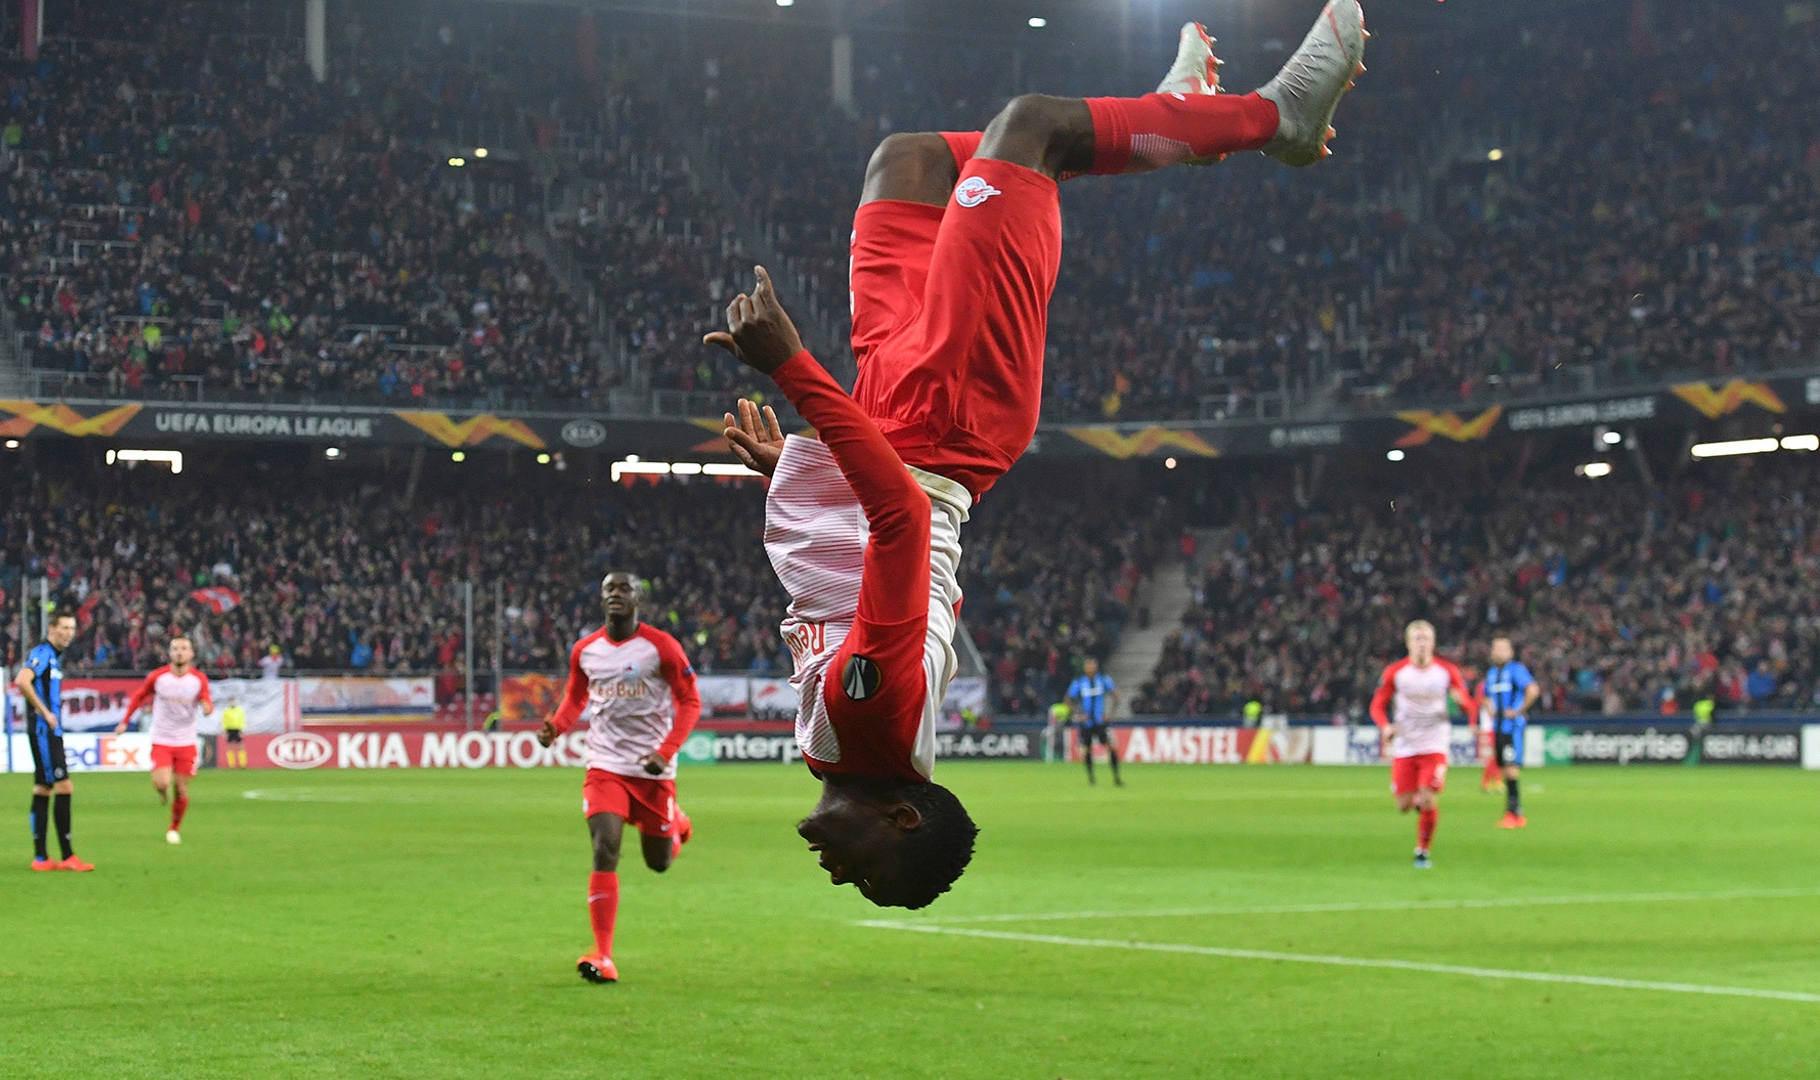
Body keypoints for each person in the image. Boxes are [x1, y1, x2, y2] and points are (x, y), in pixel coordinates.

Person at [709, 4, 1366, 908]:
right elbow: (901, 518)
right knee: (1033, 127)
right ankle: (1269, 121)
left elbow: (840, 571)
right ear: (901, 819)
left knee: (908, 160)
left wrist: (796, 467)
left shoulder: (831, 747)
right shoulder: (874, 717)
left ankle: (1170, 127)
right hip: (949, 411)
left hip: (890, 405)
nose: (836, 872)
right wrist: (792, 367)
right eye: (864, 871)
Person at [539, 572, 701, 985]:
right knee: (604, 847)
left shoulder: (660, 646)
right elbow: (576, 696)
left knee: (659, 862)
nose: (615, 594)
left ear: (637, 600)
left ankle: (676, 823)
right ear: (601, 598)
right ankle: (603, 955)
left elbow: (689, 700)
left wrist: (664, 752)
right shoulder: (586, 650)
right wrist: (556, 726)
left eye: (623, 589)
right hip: (605, 765)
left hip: (652, 770)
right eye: (609, 588)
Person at [1368, 621, 1476, 869]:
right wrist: (1385, 726)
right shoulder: (1396, 672)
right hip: (1406, 745)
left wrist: (1463, 704)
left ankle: (1422, 851)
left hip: (1435, 744)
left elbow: (1469, 705)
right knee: (1403, 806)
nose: (1422, 642)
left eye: (1426, 638)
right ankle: (1419, 804)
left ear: (1433, 643)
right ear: (1408, 643)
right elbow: (1377, 705)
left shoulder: (1447, 671)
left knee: (1428, 798)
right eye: (1417, 638)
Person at [115, 636, 214, 844]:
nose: (179, 652)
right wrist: (125, 721)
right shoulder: (158, 677)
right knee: (161, 782)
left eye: (184, 648)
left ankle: (174, 828)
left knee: (180, 787)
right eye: (175, 648)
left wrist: (207, 708)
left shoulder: (198, 679)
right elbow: (139, 696)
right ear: (170, 653)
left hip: (186, 741)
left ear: (191, 654)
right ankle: (162, 793)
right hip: (162, 738)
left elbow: (206, 701)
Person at [15, 612, 93, 872]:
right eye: (64, 627)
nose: (69, 633)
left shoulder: (55, 658)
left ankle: (41, 858)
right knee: (64, 786)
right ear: (52, 628)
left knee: (43, 788)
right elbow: (22, 680)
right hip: (44, 730)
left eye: (72, 628)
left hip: (48, 731)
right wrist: (44, 711)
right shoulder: (43, 652)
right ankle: (68, 856)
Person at [1479, 637, 1539, 829]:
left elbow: (1533, 689)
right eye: (1496, 648)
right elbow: (1486, 696)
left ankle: (1514, 814)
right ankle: (1512, 812)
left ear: (1511, 652)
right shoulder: (1491, 674)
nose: (1500, 652)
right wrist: (1489, 707)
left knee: (1511, 768)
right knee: (1505, 769)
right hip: (1497, 727)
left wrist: (1519, 710)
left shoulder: (1516, 670)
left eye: (1504, 649)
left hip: (1511, 728)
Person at [1066, 658, 1122, 787]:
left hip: (1100, 722)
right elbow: (1068, 699)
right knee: (1086, 750)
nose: (1090, 668)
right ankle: (1091, 779)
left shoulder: (1103, 680)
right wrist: (1078, 714)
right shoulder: (1079, 683)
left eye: (1092, 665)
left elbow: (1117, 697)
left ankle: (1116, 778)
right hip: (1086, 724)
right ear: (1085, 668)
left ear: (1096, 667)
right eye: (1088, 666)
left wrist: (1111, 714)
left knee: (1111, 748)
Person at [220, 700, 247, 767]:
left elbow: (242, 720)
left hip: (237, 729)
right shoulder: (227, 711)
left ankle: (242, 764)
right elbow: (224, 721)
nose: (233, 703)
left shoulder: (239, 711)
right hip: (229, 729)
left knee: (241, 745)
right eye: (232, 702)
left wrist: (242, 730)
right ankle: (231, 764)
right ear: (230, 702)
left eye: (234, 702)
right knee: (230, 746)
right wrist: (225, 730)